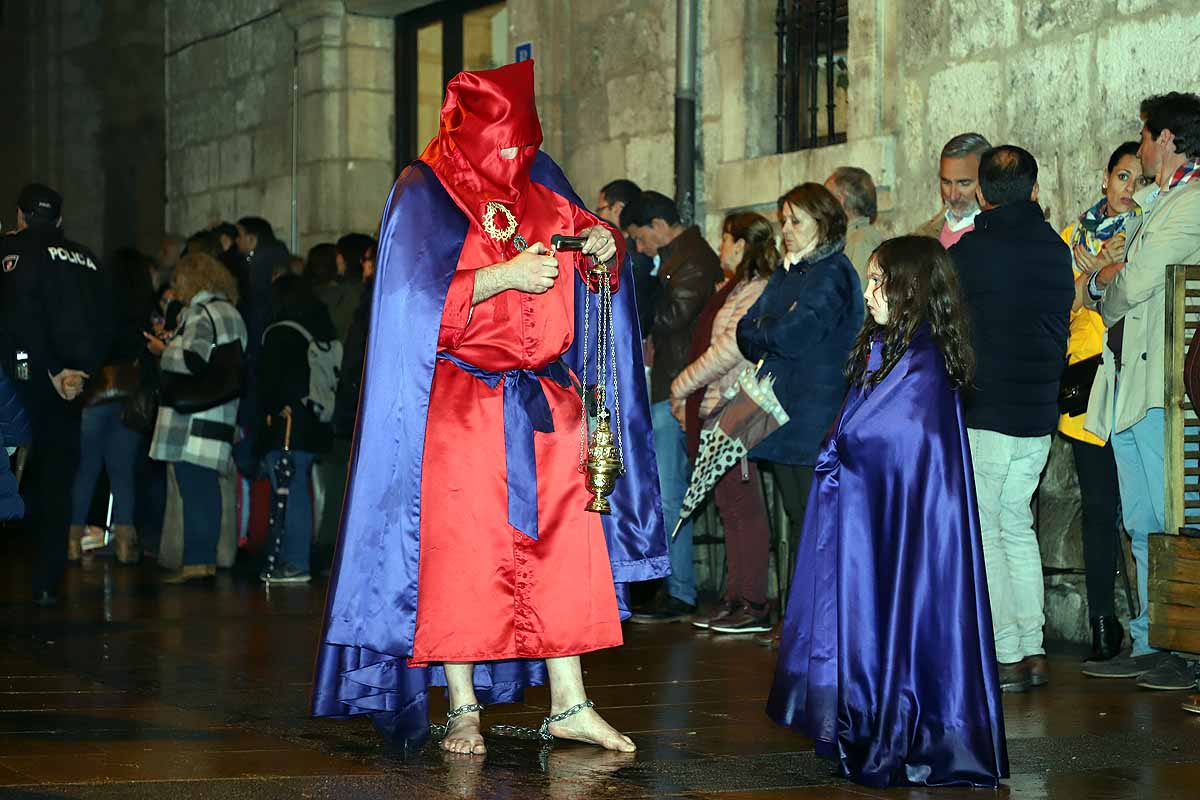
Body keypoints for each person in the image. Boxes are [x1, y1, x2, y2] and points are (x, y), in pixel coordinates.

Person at [311, 61, 666, 755]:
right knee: (461, 556)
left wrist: (604, 246)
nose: (515, 158)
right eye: (503, 145)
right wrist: (499, 276)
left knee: (565, 555)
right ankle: (462, 707)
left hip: (547, 405)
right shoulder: (425, 191)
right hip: (463, 404)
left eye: (524, 145)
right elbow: (407, 305)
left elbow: (592, 253)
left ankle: (570, 703)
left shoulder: (542, 183)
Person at [768, 236, 1008, 788]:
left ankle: (905, 730)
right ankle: (866, 719)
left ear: (912, 291)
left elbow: (890, 435)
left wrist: (840, 446)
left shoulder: (921, 358)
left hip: (908, 525)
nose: (871, 294)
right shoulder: (884, 347)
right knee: (869, 615)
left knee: (904, 614)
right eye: (871, 281)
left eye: (881, 283)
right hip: (870, 511)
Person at [1081, 92, 1200, 697]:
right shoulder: (1160, 200)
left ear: (1170, 139)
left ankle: (1181, 645)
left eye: (1147, 137)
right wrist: (1107, 277)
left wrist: (1106, 283)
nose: (1142, 147)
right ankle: (1152, 637)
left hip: (1164, 390)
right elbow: (1110, 271)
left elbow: (1132, 283)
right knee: (1139, 518)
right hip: (1131, 383)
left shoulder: (1191, 203)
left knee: (1170, 519)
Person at [951, 146, 1074, 692]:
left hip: (988, 411)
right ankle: (1034, 649)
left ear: (981, 192)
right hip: (1038, 412)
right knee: (1018, 525)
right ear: (1033, 189)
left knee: (990, 528)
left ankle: (1005, 654)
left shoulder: (971, 252)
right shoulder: (1054, 249)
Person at [736, 183, 864, 645]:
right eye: (784, 221)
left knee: (815, 521)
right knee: (797, 518)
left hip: (816, 417)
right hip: (785, 415)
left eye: (795, 221)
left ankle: (819, 623)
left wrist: (770, 328)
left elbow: (794, 333)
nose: (785, 230)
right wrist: (771, 326)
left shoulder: (831, 273)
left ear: (823, 223)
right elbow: (744, 332)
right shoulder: (791, 272)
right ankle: (800, 620)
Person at [0, 183, 114, 607]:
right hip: (70, 391)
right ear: (60, 221)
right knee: (57, 483)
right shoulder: (86, 259)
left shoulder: (14, 252)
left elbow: (16, 321)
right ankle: (46, 581)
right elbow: (111, 321)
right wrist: (80, 373)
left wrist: (42, 370)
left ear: (20, 216)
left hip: (20, 383)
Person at [1058, 141, 1147, 664]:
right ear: (1106, 179)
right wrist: (1087, 276)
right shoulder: (1076, 235)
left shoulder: (1147, 229)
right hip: (1084, 372)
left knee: (1134, 505)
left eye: (1137, 178)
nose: (1127, 188)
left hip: (1130, 376)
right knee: (1096, 505)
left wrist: (1109, 272)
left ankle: (1149, 625)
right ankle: (1101, 623)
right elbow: (1063, 302)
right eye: (1121, 176)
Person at [670, 212, 776, 634]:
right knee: (729, 505)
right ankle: (736, 597)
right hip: (720, 404)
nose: (720, 248)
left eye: (726, 239)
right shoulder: (738, 289)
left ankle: (752, 601)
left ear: (741, 244)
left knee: (742, 504)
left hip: (737, 404)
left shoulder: (756, 289)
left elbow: (729, 349)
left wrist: (681, 384)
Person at [623, 190, 723, 622]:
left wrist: (643, 279)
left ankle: (681, 590)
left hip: (679, 390)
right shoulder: (676, 261)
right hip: (667, 385)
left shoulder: (693, 261)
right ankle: (672, 585)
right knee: (664, 491)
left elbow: (668, 319)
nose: (640, 248)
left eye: (640, 238)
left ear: (660, 225)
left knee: (670, 493)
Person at [144, 253, 247, 583]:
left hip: (191, 420)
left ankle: (197, 562)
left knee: (194, 488)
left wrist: (164, 351)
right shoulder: (230, 312)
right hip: (218, 414)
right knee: (207, 489)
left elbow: (192, 359)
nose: (175, 290)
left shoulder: (202, 313)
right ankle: (204, 561)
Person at [71, 247, 158, 565]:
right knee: (123, 473)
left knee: (86, 470)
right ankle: (124, 544)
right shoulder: (143, 309)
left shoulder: (97, 304)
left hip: (95, 394)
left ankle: (71, 541)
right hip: (128, 396)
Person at [256, 274, 336, 584]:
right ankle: (298, 559)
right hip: (313, 420)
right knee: (300, 487)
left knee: (289, 493)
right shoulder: (319, 327)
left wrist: (273, 408)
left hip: (288, 424)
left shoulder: (279, 333)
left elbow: (272, 381)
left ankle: (294, 561)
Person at [597, 179, 659, 336]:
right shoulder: (630, 249)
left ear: (617, 209)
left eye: (600, 210)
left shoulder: (633, 254)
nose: (596, 217)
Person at [916, 133, 992, 249]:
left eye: (964, 183)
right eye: (946, 182)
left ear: (986, 180)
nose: (953, 196)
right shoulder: (924, 235)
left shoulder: (996, 235)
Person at [825, 166, 884, 288]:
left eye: (825, 199)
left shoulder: (862, 240)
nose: (822, 208)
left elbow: (860, 299)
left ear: (839, 201)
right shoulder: (846, 240)